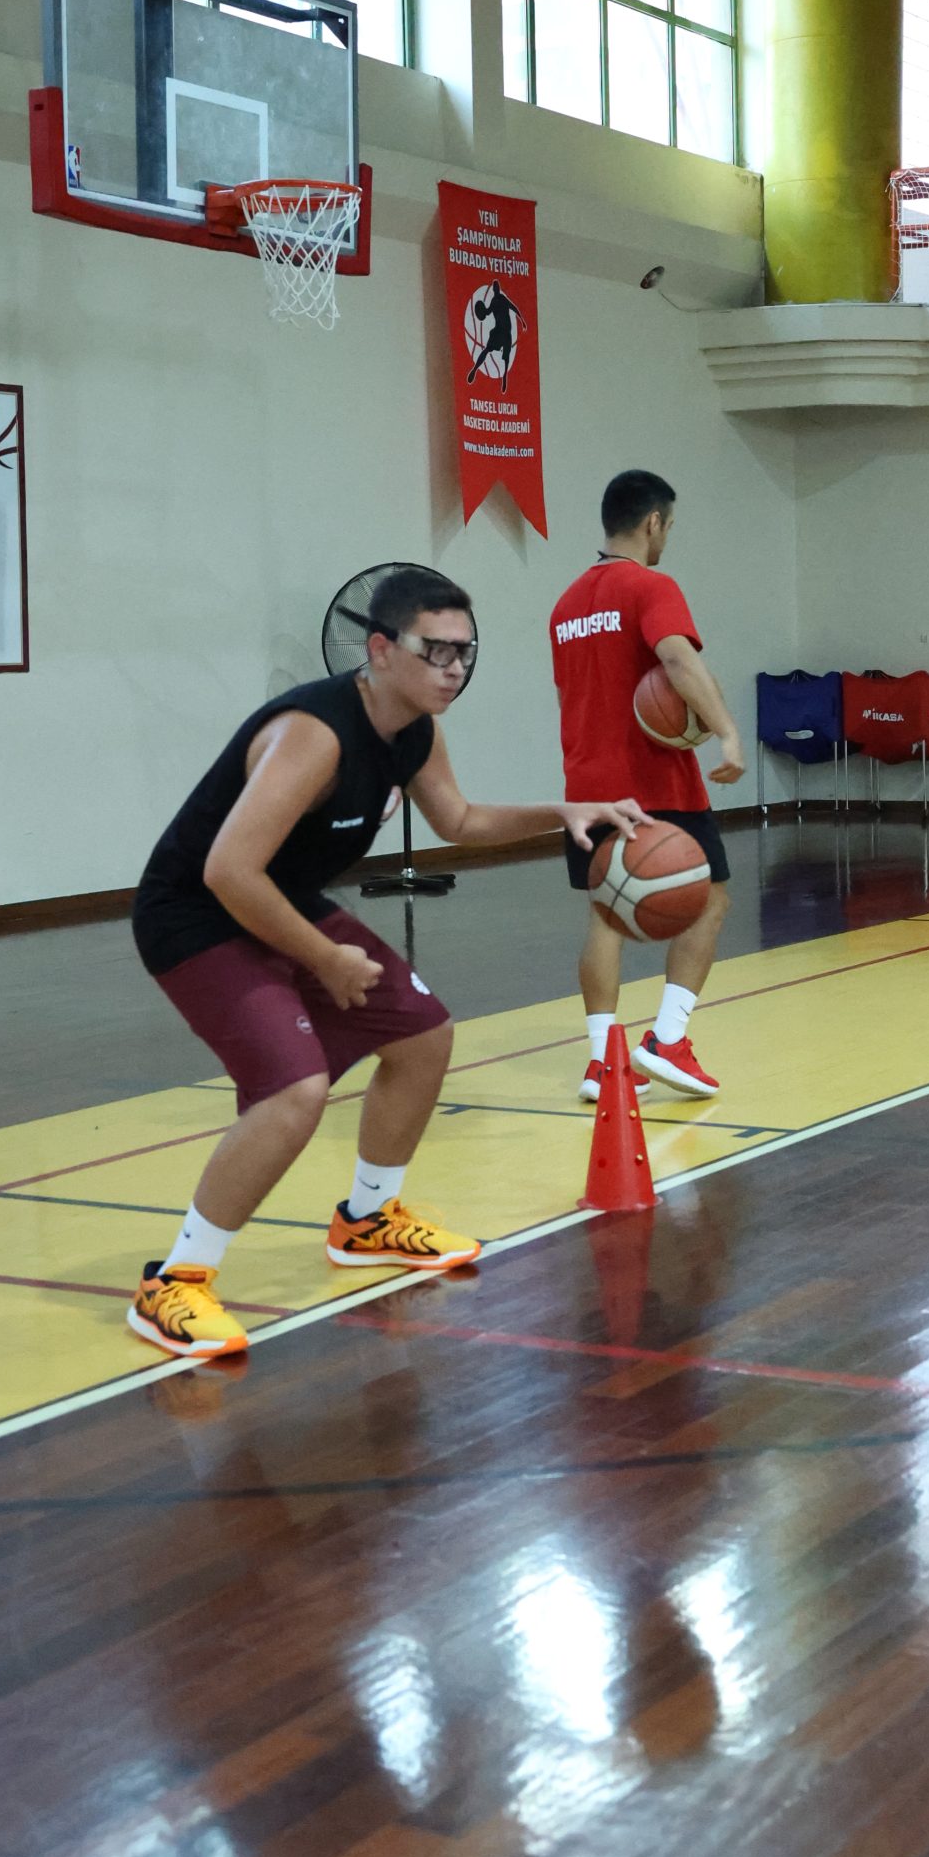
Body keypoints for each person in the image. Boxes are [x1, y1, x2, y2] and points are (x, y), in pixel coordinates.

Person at [127, 567, 642, 1360]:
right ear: (379, 649)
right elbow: (227, 871)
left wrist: (561, 810)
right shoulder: (315, 733)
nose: (454, 668)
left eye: (465, 652)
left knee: (423, 1035)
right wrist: (324, 957)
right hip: (194, 915)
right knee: (295, 1090)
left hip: (278, 897)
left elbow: (458, 819)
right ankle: (175, 1280)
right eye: (436, 650)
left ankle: (367, 1221)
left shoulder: (415, 731)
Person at [551, 470, 743, 1103]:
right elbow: (678, 659)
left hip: (586, 785)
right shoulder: (651, 586)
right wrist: (726, 733)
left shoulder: (566, 605)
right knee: (711, 898)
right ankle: (668, 1039)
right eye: (670, 526)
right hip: (656, 784)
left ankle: (602, 1062)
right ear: (653, 522)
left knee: (606, 916)